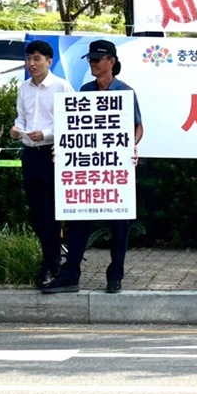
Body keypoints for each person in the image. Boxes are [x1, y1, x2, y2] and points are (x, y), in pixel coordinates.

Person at [42, 39, 143, 295]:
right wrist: (64, 149)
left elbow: (137, 127)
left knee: (120, 225)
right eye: (91, 59)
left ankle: (115, 275)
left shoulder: (125, 92)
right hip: (87, 172)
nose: (93, 64)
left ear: (112, 61)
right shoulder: (85, 91)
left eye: (98, 59)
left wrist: (130, 147)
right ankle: (70, 274)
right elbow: (74, 127)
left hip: (114, 170)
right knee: (79, 221)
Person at [10, 39, 72, 288]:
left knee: (51, 212)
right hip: (30, 154)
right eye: (28, 59)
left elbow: (71, 122)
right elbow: (21, 116)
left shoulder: (62, 87)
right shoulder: (24, 88)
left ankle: (50, 263)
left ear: (49, 61)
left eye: (37, 59)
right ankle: (53, 258)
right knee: (36, 214)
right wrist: (18, 129)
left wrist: (46, 134)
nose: (31, 64)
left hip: (53, 154)